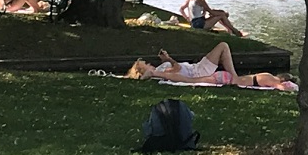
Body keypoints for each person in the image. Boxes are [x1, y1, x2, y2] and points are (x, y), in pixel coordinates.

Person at [125, 43, 297, 91]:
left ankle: (235, 77)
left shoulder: (163, 67)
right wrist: (167, 63)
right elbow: (176, 71)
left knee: (223, 47)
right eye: (145, 65)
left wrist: (168, 59)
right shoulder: (161, 70)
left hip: (198, 72)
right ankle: (235, 77)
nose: (148, 62)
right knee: (223, 46)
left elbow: (176, 68)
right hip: (198, 72)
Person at [180, 0, 245, 36]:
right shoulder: (200, 0)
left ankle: (230, 30)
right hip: (199, 24)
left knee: (220, 13)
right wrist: (224, 14)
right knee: (221, 16)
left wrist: (187, 18)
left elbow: (181, 9)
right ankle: (235, 32)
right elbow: (211, 12)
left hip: (194, 22)